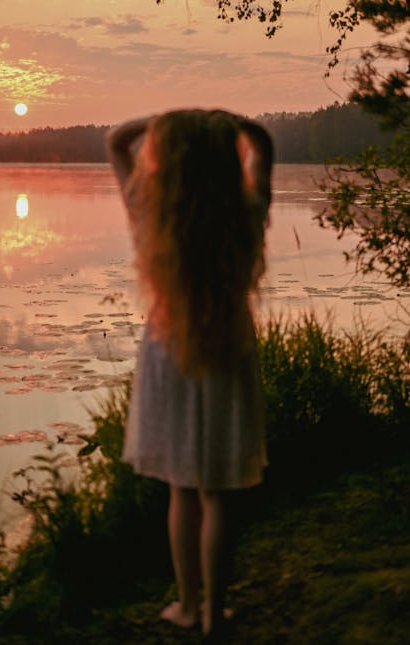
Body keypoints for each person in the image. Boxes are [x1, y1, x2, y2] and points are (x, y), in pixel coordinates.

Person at [106, 108, 273, 641]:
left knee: (183, 486)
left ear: (168, 160)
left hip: (168, 347)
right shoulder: (245, 209)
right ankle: (213, 613)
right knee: (219, 490)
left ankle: (186, 604)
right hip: (228, 344)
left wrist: (167, 121)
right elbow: (263, 145)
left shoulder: (153, 212)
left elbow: (116, 141)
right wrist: (227, 124)